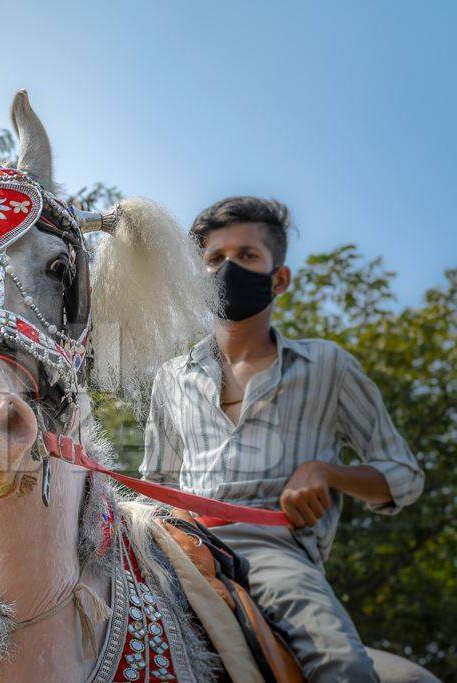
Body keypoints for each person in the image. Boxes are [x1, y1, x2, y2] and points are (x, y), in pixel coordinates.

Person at [140, 196, 425, 682]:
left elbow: (404, 476)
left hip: (272, 553)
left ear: (279, 279)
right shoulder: (170, 377)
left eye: (247, 256)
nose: (227, 269)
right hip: (177, 549)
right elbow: (157, 483)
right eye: (214, 259)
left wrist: (328, 473)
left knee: (344, 666)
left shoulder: (329, 366)